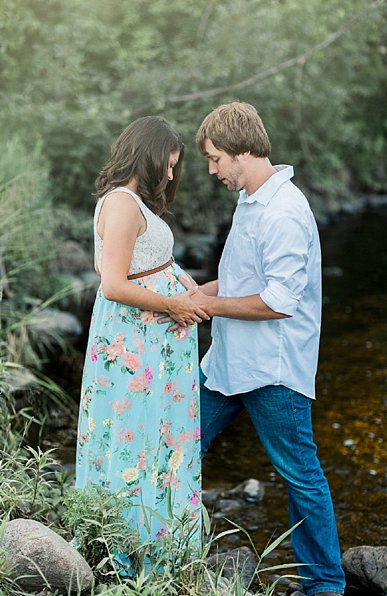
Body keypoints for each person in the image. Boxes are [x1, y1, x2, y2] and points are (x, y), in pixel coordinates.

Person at [186, 102, 345, 596]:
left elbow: (278, 302)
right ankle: (169, 547)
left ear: (243, 151)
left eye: (215, 159)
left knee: (300, 474)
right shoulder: (253, 198)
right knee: (177, 442)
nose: (212, 170)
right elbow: (240, 281)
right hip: (228, 364)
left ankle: (325, 584)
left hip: (273, 370)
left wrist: (209, 309)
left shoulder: (284, 211)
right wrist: (192, 295)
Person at [75, 116, 207, 570]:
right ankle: (134, 555)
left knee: (155, 438)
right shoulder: (122, 204)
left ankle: (161, 542)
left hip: (152, 345)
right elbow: (112, 283)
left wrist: (186, 288)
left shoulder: (131, 204)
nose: (171, 176)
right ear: (149, 157)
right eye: (168, 165)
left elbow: (148, 264)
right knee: (137, 441)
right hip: (136, 344)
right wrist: (172, 306)